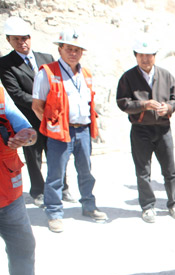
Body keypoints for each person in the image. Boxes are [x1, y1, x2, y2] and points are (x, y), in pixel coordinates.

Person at [32, 28, 107, 233]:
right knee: (56, 174)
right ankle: (54, 213)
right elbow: (37, 105)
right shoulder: (47, 72)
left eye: (77, 49)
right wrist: (50, 125)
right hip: (60, 133)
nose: (73, 53)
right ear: (60, 48)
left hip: (82, 130)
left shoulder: (86, 73)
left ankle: (89, 206)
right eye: (69, 48)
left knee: (85, 172)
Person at [0, 16, 75, 207]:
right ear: (8, 40)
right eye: (16, 39)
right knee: (33, 156)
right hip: (28, 118)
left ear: (30, 37)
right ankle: (38, 191)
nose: (22, 42)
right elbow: (15, 94)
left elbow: (57, 85)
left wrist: (53, 107)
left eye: (24, 37)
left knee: (57, 154)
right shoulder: (5, 64)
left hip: (52, 118)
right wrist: (42, 104)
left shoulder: (46, 58)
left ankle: (62, 187)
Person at [0, 85, 53, 275]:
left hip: (8, 192)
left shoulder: (0, 94)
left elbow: (29, 131)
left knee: (23, 245)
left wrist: (26, 136)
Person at [116, 37, 175, 223]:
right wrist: (143, 105)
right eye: (141, 55)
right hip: (140, 130)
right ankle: (147, 206)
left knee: (170, 169)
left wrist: (167, 108)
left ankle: (173, 203)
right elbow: (123, 103)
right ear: (136, 56)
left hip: (163, 129)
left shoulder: (166, 75)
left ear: (155, 56)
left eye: (149, 55)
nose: (145, 59)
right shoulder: (128, 77)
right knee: (143, 170)